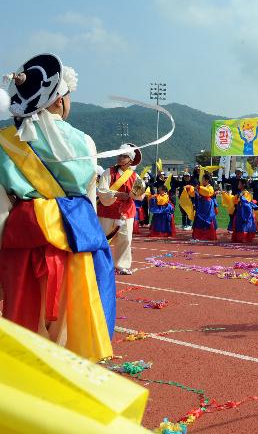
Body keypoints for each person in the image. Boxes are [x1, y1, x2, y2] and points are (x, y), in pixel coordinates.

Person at [0, 54, 116, 361]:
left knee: (25, 328)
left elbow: (1, 209)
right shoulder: (85, 143)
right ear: (58, 100)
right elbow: (89, 200)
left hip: (24, 242)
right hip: (75, 239)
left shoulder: (4, 142)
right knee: (70, 326)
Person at [97, 144, 147, 276]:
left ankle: (122, 266)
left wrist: (136, 192)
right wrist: (117, 194)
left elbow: (140, 195)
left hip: (126, 213)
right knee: (104, 238)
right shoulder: (109, 172)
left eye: (124, 156)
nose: (120, 158)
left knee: (125, 239)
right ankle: (99, 264)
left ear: (130, 160)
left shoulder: (135, 177)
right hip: (108, 211)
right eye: (120, 155)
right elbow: (101, 190)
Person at [180, 174, 219, 241]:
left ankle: (208, 236)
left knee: (207, 219)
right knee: (199, 220)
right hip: (200, 205)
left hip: (207, 206)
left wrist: (199, 188)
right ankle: (199, 235)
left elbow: (208, 193)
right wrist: (189, 188)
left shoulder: (210, 187)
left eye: (203, 179)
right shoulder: (200, 187)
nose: (202, 180)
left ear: (207, 180)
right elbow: (193, 193)